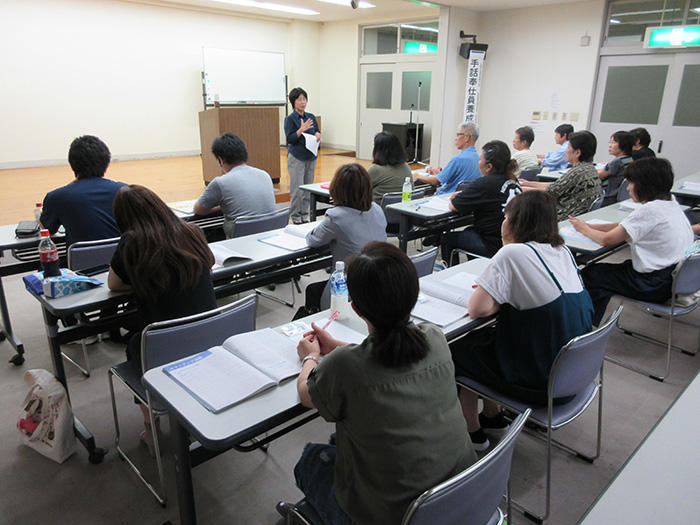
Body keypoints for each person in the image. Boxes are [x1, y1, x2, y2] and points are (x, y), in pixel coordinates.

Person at [282, 241, 476, 524]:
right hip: (461, 492)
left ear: (356, 308)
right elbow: (385, 353)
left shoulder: (346, 366)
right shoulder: (434, 336)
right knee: (344, 440)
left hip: (396, 516)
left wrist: (309, 358)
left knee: (312, 460)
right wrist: (337, 346)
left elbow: (306, 394)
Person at [451, 191, 593, 450]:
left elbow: (477, 308)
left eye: (506, 216)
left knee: (457, 351)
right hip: (572, 374)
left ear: (516, 222)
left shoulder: (513, 253)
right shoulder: (561, 250)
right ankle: (491, 416)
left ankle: (472, 434)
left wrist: (496, 292)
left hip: (541, 380)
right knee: (480, 343)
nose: (502, 221)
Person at [108, 185, 217, 452]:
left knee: (136, 344)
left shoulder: (133, 243)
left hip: (161, 349)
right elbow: (210, 263)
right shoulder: (191, 232)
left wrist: (142, 279)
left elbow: (113, 284)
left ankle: (151, 429)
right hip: (211, 337)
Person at [571, 158, 694, 326]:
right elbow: (624, 226)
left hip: (652, 284)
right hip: (670, 278)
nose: (628, 188)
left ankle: (583, 326)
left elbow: (607, 240)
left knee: (590, 274)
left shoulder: (650, 210)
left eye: (630, 183)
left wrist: (583, 229)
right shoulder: (670, 204)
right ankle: (591, 322)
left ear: (644, 185)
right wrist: (592, 226)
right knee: (603, 275)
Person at [303, 164, 387, 312]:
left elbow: (313, 240)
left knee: (312, 290)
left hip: (348, 288)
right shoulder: (377, 209)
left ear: (336, 189)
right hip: (378, 282)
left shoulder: (336, 217)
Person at [441, 140, 522, 264]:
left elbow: (453, 206)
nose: (478, 163)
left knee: (447, 239)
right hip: (514, 243)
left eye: (480, 159)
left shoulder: (485, 183)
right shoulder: (513, 180)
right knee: (468, 231)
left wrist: (461, 198)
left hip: (494, 245)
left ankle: (450, 275)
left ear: (489, 167)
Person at [40, 135, 126, 247]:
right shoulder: (125, 191)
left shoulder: (56, 197)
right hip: (123, 262)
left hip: (81, 263)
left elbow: (47, 232)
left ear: (71, 164)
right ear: (107, 164)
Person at [194, 133, 276, 238]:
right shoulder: (264, 174)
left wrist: (221, 206)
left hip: (239, 241)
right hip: (270, 236)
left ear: (221, 160)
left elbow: (198, 209)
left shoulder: (221, 182)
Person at [520, 131, 602, 220]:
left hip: (564, 216)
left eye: (568, 147)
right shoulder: (589, 168)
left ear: (577, 153)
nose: (566, 150)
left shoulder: (577, 172)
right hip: (579, 215)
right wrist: (528, 183)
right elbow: (557, 185)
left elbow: (549, 192)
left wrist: (521, 189)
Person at [284, 87, 321, 224]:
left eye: (304, 99)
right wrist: (301, 130)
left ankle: (305, 215)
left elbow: (316, 131)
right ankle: (295, 216)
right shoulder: (290, 119)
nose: (302, 102)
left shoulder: (310, 116)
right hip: (297, 157)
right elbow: (290, 139)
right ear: (293, 102)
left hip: (311, 156)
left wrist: (318, 134)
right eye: (299, 100)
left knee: (307, 189)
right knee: (297, 189)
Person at [413, 122, 481, 195]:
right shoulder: (479, 159)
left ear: (466, 137)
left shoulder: (458, 159)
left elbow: (436, 181)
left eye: (458, 135)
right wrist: (440, 174)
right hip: (463, 200)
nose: (455, 138)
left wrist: (417, 176)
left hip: (445, 199)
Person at [367, 131, 412, 204]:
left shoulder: (375, 170)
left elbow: (359, 190)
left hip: (379, 212)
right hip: (401, 212)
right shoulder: (406, 167)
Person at [598, 130, 634, 206]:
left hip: (609, 196)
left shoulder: (617, 162)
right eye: (610, 142)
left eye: (614, 142)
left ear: (624, 145)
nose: (610, 145)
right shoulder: (629, 159)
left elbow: (601, 175)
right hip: (619, 195)